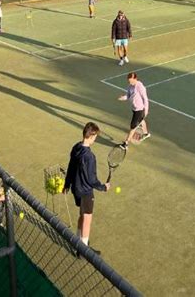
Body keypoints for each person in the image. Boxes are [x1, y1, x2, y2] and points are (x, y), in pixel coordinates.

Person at [63, 122, 110, 254]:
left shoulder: (76, 147)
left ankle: (79, 242)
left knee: (82, 215)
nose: (95, 139)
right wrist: (103, 187)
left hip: (76, 190)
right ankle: (83, 251)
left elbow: (71, 167)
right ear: (91, 135)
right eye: (95, 136)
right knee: (87, 219)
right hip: (85, 192)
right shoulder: (90, 156)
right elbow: (91, 180)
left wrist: (67, 184)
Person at [118, 72, 150, 149]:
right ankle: (146, 133)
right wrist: (123, 98)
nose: (130, 82)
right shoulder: (130, 86)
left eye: (131, 81)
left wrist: (146, 110)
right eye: (129, 81)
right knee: (141, 120)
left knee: (133, 127)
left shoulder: (140, 86)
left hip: (140, 109)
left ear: (135, 79)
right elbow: (128, 96)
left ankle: (126, 143)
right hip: (134, 108)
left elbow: (145, 98)